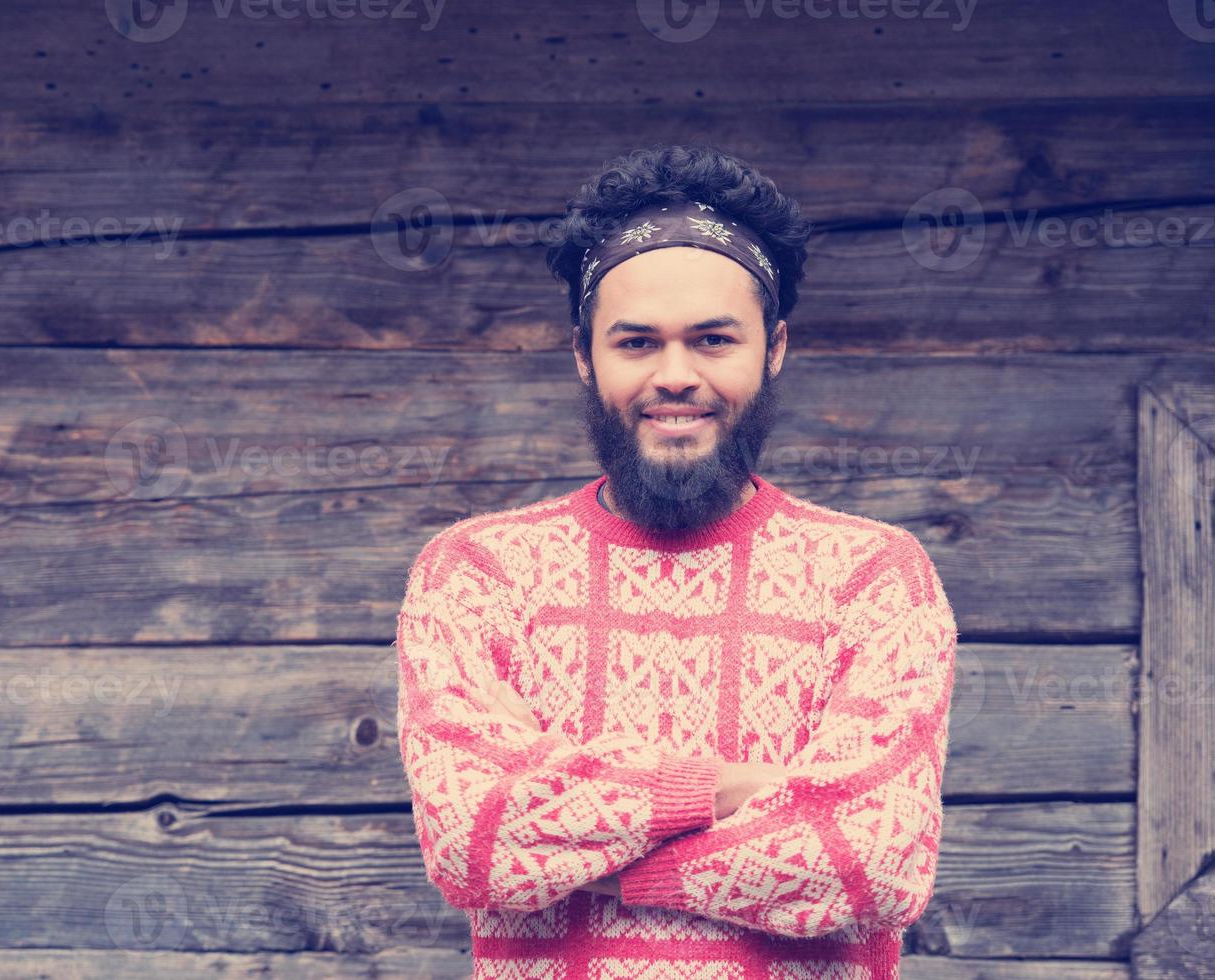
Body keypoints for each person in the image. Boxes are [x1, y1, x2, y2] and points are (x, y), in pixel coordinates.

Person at [395, 144, 958, 978]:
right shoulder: (478, 575)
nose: (674, 376)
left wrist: (575, 831)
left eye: (711, 339)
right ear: (584, 356)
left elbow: (870, 863)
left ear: (773, 350)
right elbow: (471, 846)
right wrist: (731, 790)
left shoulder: (871, 577)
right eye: (635, 343)